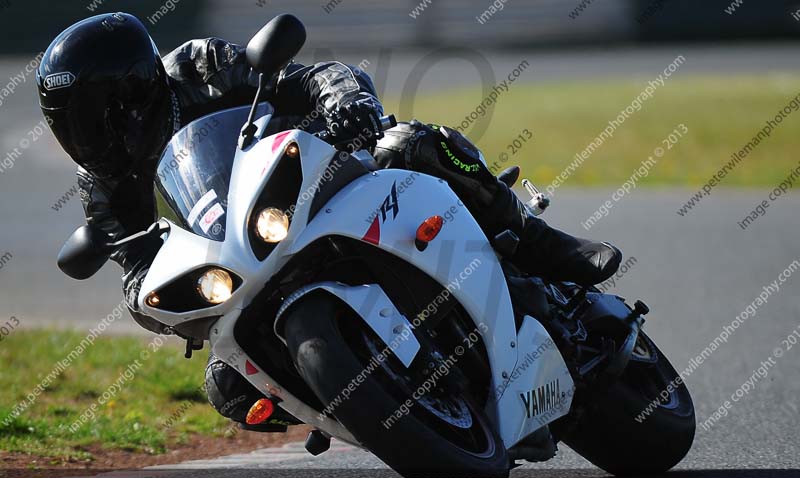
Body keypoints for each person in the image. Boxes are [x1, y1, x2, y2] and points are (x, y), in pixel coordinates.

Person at [38, 13, 621, 427]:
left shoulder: (195, 69)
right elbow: (139, 279)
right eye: (71, 125)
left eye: (94, 116)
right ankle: (375, 401)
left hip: (320, 173)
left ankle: (540, 242)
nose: (88, 137)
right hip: (248, 261)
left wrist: (348, 108)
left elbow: (314, 76)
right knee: (229, 385)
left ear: (133, 91)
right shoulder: (106, 192)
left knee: (414, 142)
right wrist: (161, 305)